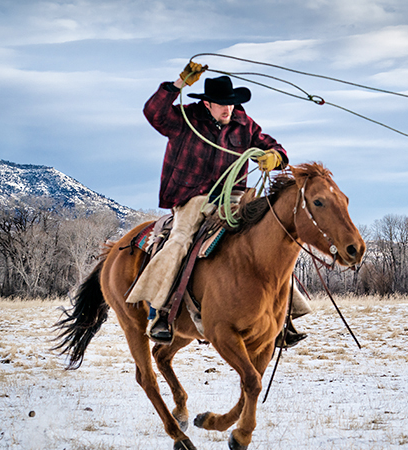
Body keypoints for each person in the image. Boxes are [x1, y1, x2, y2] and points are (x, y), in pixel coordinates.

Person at [126, 61, 308, 346]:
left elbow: (275, 147)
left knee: (270, 238)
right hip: (193, 197)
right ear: (207, 103)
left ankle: (283, 315)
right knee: (179, 242)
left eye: (232, 104)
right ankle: (161, 312)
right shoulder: (186, 120)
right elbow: (153, 112)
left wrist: (274, 157)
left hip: (235, 198)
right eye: (222, 105)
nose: (229, 110)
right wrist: (179, 84)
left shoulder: (244, 126)